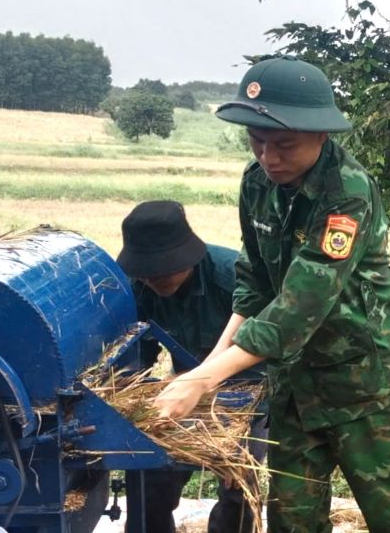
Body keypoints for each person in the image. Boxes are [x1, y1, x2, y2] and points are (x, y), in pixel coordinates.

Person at [151, 56, 390, 532]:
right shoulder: (257, 183)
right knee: (291, 525)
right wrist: (204, 372)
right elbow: (255, 284)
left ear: (321, 135)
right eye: (256, 141)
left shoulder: (347, 195)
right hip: (295, 391)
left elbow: (296, 309)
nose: (268, 157)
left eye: (283, 144)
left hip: (365, 391)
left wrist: (201, 381)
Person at [117, 200, 265, 533]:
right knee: (148, 473)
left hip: (248, 392)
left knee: (237, 487)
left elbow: (263, 356)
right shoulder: (138, 288)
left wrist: (235, 434)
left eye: (164, 269)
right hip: (183, 391)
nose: (155, 279)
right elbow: (135, 354)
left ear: (188, 255)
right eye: (147, 272)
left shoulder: (234, 280)